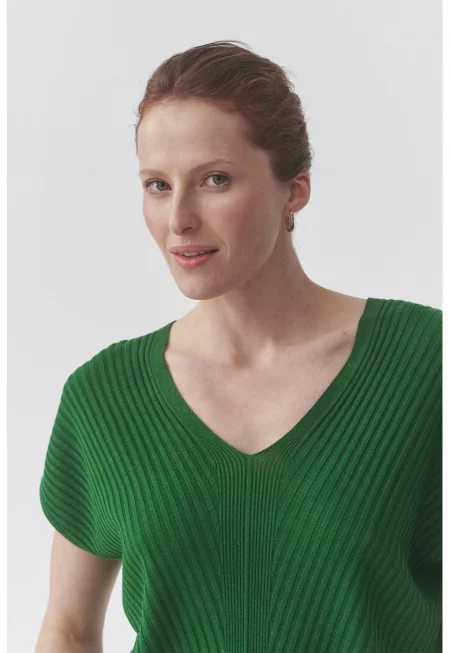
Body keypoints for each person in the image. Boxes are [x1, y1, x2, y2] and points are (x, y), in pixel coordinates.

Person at [36, 40, 442, 653]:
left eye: (215, 180)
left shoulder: (424, 362)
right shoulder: (103, 398)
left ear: (294, 189)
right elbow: (68, 630)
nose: (180, 218)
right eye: (157, 185)